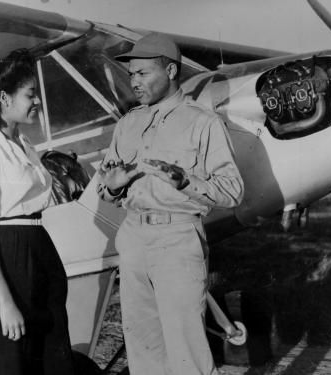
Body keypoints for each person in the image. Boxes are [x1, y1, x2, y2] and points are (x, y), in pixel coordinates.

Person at [97, 33, 244, 375]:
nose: (134, 82)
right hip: (133, 239)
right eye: (132, 74)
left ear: (172, 71)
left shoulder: (202, 123)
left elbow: (233, 191)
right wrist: (113, 187)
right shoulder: (127, 124)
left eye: (144, 73)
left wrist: (185, 182)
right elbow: (106, 191)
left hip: (178, 240)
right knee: (144, 349)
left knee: (186, 351)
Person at [0, 49, 75, 375]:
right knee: (10, 363)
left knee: (52, 356)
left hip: (37, 247)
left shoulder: (24, 144)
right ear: (4, 98)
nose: (37, 100)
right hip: (5, 257)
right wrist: (5, 302)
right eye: (30, 94)